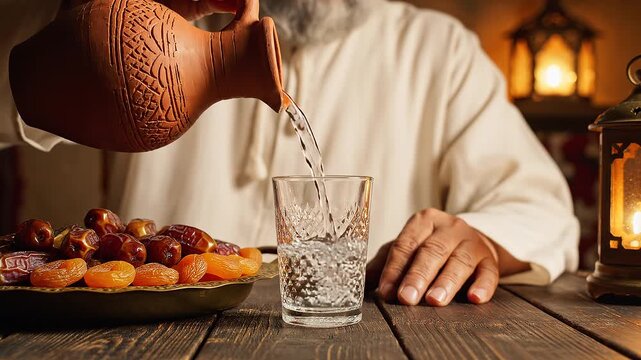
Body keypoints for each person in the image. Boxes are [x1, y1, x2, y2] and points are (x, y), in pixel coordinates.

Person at [0, 0, 579, 306]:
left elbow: (542, 208)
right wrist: (75, 27)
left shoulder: (437, 48)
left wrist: (478, 238)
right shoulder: (154, 13)